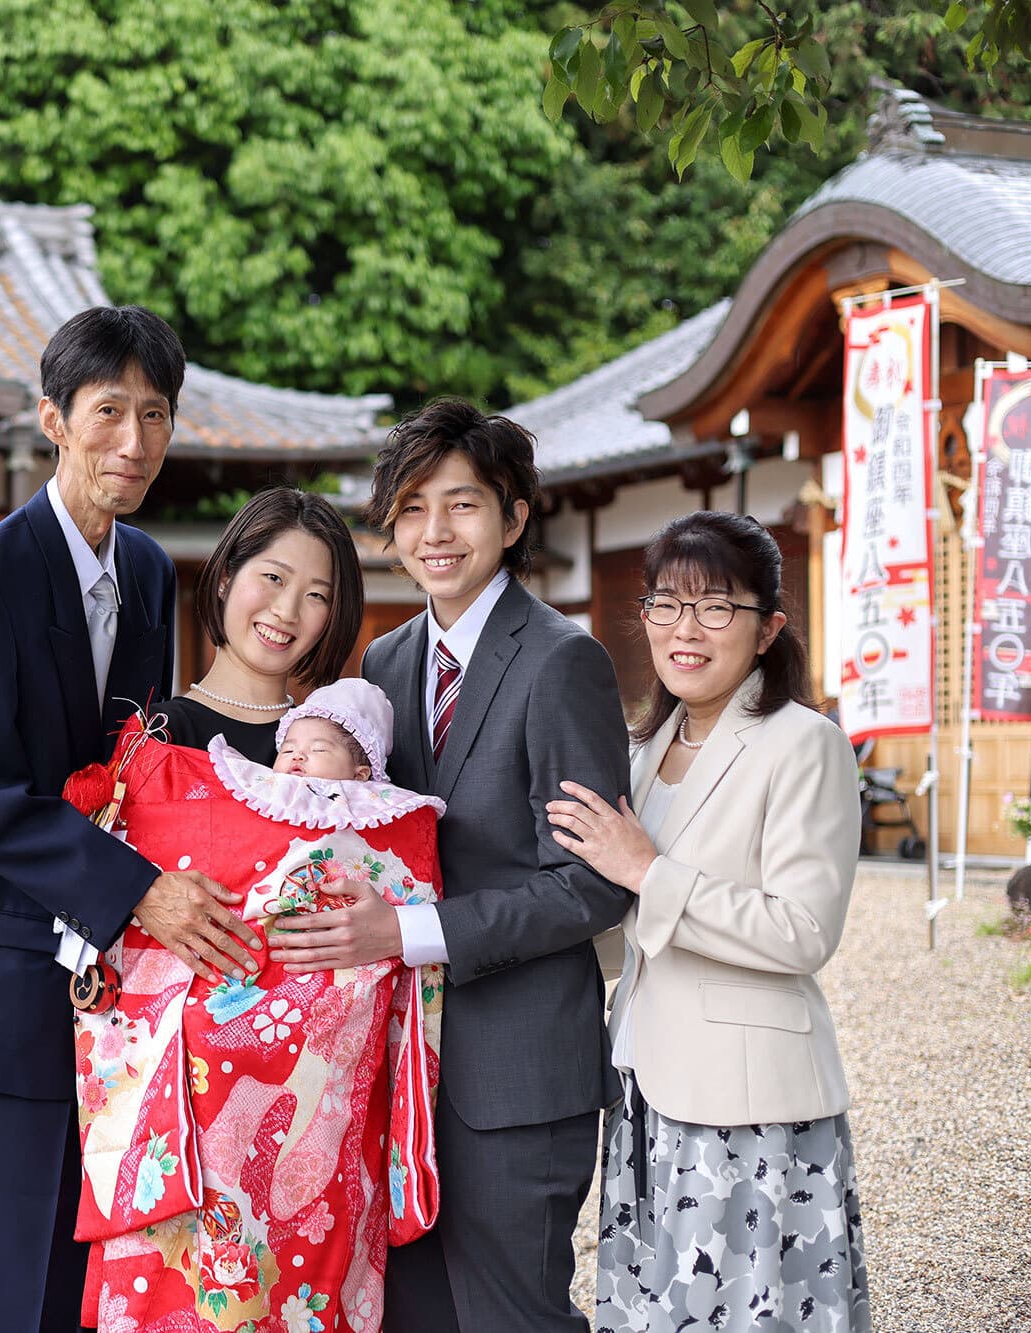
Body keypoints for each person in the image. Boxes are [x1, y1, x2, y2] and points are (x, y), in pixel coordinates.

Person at [0, 305, 262, 1333]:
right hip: (12, 973)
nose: (133, 442)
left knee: (104, 1270)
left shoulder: (153, 571)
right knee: (8, 1275)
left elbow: (142, 764)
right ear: (52, 420)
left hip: (126, 988)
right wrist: (136, 893)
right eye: (108, 411)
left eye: (154, 415)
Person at [269, 397, 632, 1332]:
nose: (437, 532)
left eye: (463, 505)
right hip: (394, 1070)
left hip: (515, 1073)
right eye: (415, 507)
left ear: (513, 518)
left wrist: (410, 931)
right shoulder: (383, 664)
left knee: (514, 1316)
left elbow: (590, 881)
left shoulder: (564, 660)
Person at [544, 512, 870, 1332]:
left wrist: (647, 870)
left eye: (716, 607)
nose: (685, 630)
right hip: (645, 1088)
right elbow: (629, 923)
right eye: (666, 604)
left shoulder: (806, 743)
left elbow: (803, 929)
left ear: (769, 630)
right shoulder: (643, 749)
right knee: (659, 1307)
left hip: (749, 1104)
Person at [70, 679, 445, 1332]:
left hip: (325, 1076)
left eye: (319, 746)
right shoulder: (246, 799)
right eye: (288, 746)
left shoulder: (388, 818)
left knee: (316, 1244)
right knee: (201, 1229)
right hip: (217, 1081)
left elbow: (402, 945)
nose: (295, 759)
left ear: (364, 771)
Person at [153, 486, 365, 765]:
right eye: (273, 577)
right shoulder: (159, 733)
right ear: (225, 578)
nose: (287, 612)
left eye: (316, 595)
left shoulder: (337, 749)